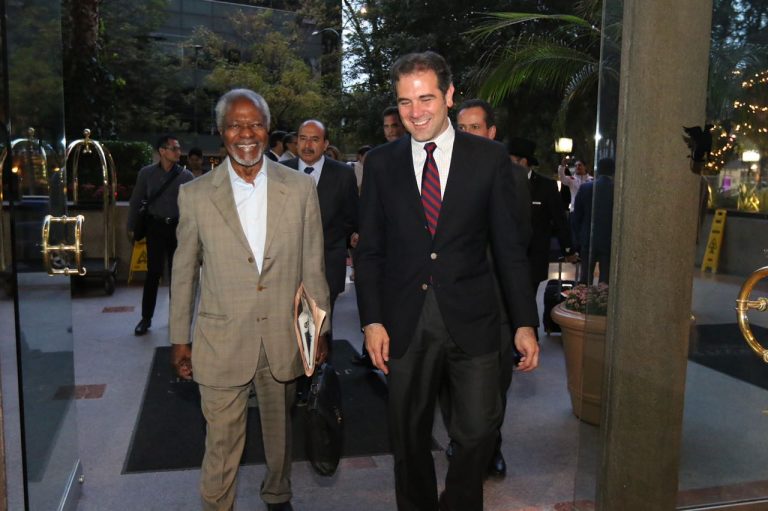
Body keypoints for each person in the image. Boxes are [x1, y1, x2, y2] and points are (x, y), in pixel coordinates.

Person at [355, 51, 539, 511]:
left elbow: (509, 248)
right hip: (404, 320)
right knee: (409, 436)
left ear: (450, 96)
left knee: (478, 428)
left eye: (426, 98)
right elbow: (371, 250)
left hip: (474, 317)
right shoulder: (380, 163)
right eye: (404, 102)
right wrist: (372, 321)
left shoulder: (490, 159)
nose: (415, 112)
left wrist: (524, 320)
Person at [169, 89, 330, 511]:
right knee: (221, 439)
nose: (246, 134)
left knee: (279, 431)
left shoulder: (298, 190)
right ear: (222, 133)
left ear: (267, 130)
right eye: (236, 125)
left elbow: (312, 267)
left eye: (255, 124)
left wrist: (319, 332)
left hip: (282, 335)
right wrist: (178, 338)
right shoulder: (196, 195)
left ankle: (278, 494)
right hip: (221, 339)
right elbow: (183, 273)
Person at [282, 120, 359, 317]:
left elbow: (352, 217)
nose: (307, 145)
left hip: (328, 268)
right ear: (295, 142)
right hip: (286, 267)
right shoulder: (279, 172)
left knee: (322, 330)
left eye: (314, 139)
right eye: (303, 139)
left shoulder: (343, 174)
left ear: (325, 144)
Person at [127, 134, 194, 336]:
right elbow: (136, 200)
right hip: (155, 228)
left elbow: (193, 208)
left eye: (179, 148)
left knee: (178, 276)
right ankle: (146, 319)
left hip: (177, 230)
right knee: (152, 274)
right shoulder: (146, 174)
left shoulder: (186, 176)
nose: (178, 152)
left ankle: (177, 321)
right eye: (173, 148)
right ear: (162, 151)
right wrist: (131, 226)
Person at [573, 157, 615, 285]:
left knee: (585, 278)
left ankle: (582, 302)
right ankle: (602, 302)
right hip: (608, 240)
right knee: (605, 280)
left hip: (587, 238)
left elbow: (576, 217)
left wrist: (578, 239)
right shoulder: (616, 189)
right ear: (613, 171)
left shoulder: (585, 188)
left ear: (598, 170)